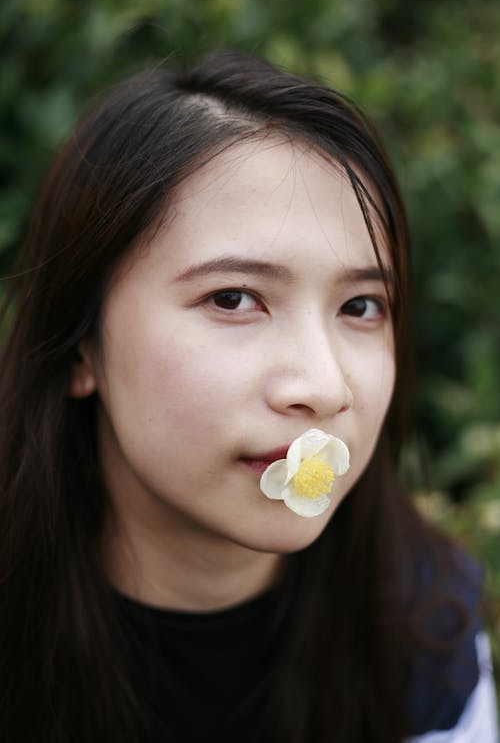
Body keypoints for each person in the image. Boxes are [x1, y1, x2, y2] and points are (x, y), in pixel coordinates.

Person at [0, 51, 497, 743]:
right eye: (233, 299)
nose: (324, 387)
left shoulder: (422, 625)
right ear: (82, 343)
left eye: (360, 305)